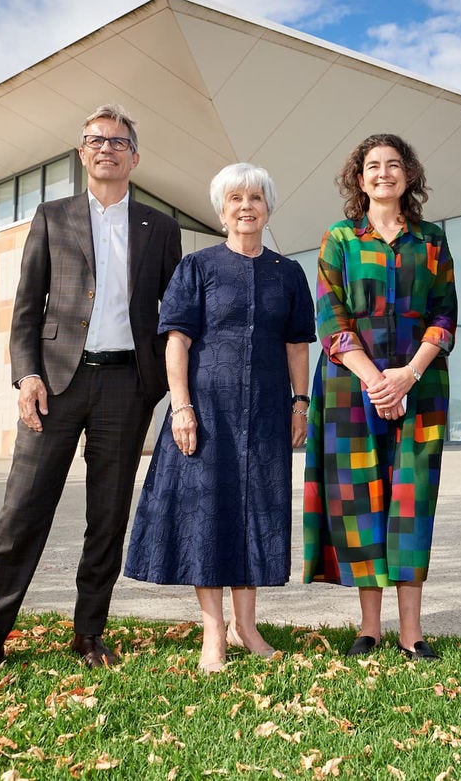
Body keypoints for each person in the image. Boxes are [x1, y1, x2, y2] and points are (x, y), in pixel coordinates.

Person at [0, 104, 182, 686]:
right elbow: (27, 309)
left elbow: (173, 313)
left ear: (135, 155)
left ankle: (89, 633)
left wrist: (159, 386)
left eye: (119, 141)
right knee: (21, 511)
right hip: (53, 386)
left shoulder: (160, 226)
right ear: (83, 152)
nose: (107, 148)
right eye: (96, 140)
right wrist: (25, 376)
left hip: (126, 387)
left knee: (107, 517)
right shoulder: (53, 217)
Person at [123, 163, 314, 674]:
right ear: (222, 210)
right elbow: (177, 341)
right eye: (236, 198)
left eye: (255, 197)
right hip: (207, 414)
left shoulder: (288, 272)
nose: (246, 206)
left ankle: (246, 627)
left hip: (268, 416)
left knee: (256, 512)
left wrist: (301, 403)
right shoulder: (198, 267)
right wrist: (181, 407)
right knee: (207, 517)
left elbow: (298, 344)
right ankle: (213, 631)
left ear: (268, 208)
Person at [303, 133, 457, 662]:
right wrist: (376, 381)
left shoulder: (432, 239)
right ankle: (369, 627)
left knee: (411, 506)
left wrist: (407, 377)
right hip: (351, 389)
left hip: (422, 388)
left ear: (409, 175)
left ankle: (412, 632)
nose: (384, 173)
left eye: (394, 165)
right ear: (359, 177)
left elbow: (445, 316)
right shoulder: (340, 238)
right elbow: (331, 319)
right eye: (373, 166)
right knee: (360, 503)